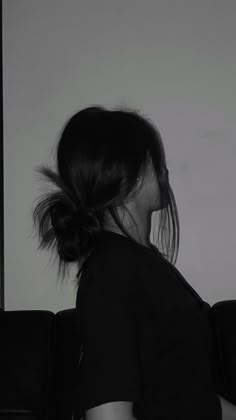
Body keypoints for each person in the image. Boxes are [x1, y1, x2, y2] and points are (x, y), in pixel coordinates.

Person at [32, 105, 223, 419]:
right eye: (157, 161)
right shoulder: (112, 270)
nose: (165, 171)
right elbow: (108, 416)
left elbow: (190, 397)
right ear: (140, 170)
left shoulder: (140, 266)